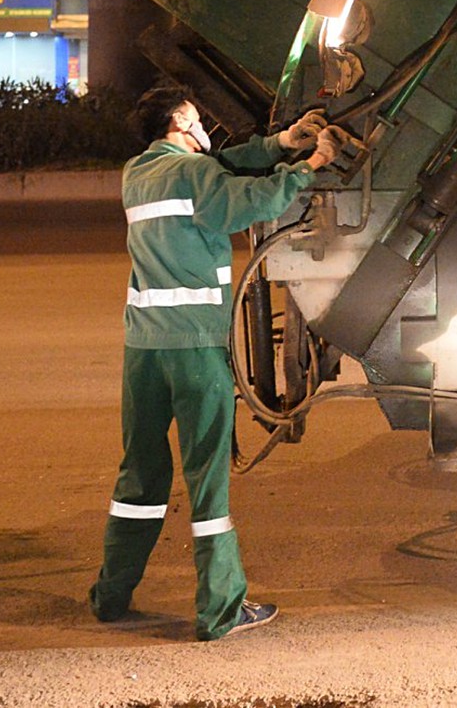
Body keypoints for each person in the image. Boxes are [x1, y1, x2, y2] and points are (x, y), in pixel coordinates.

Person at [89, 82, 335, 641]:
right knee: (207, 483)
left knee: (140, 475)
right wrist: (310, 164)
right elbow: (248, 199)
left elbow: (217, 166)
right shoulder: (196, 178)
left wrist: (278, 143)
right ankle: (221, 609)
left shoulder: (138, 174)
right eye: (196, 119)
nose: (204, 129)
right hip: (197, 349)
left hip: (144, 350)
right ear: (179, 121)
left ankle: (111, 595)